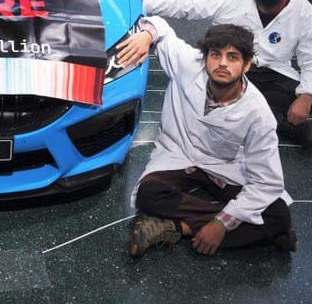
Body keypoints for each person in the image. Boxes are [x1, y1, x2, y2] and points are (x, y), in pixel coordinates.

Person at [116, 18, 297, 257]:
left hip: (223, 166)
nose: (222, 63)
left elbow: (267, 182)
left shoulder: (258, 113)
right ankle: (256, 232)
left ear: (247, 65)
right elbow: (161, 28)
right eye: (216, 55)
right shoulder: (189, 65)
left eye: (233, 57)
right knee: (148, 195)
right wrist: (147, 35)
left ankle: (178, 228)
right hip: (178, 153)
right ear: (206, 58)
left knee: (278, 214)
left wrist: (221, 224)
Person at [143, 0, 312, 148]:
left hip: (272, 74)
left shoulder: (303, 11)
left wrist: (307, 97)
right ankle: (266, 122)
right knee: (203, 87)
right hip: (228, 67)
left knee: (308, 97)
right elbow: (185, 2)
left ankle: (258, 120)